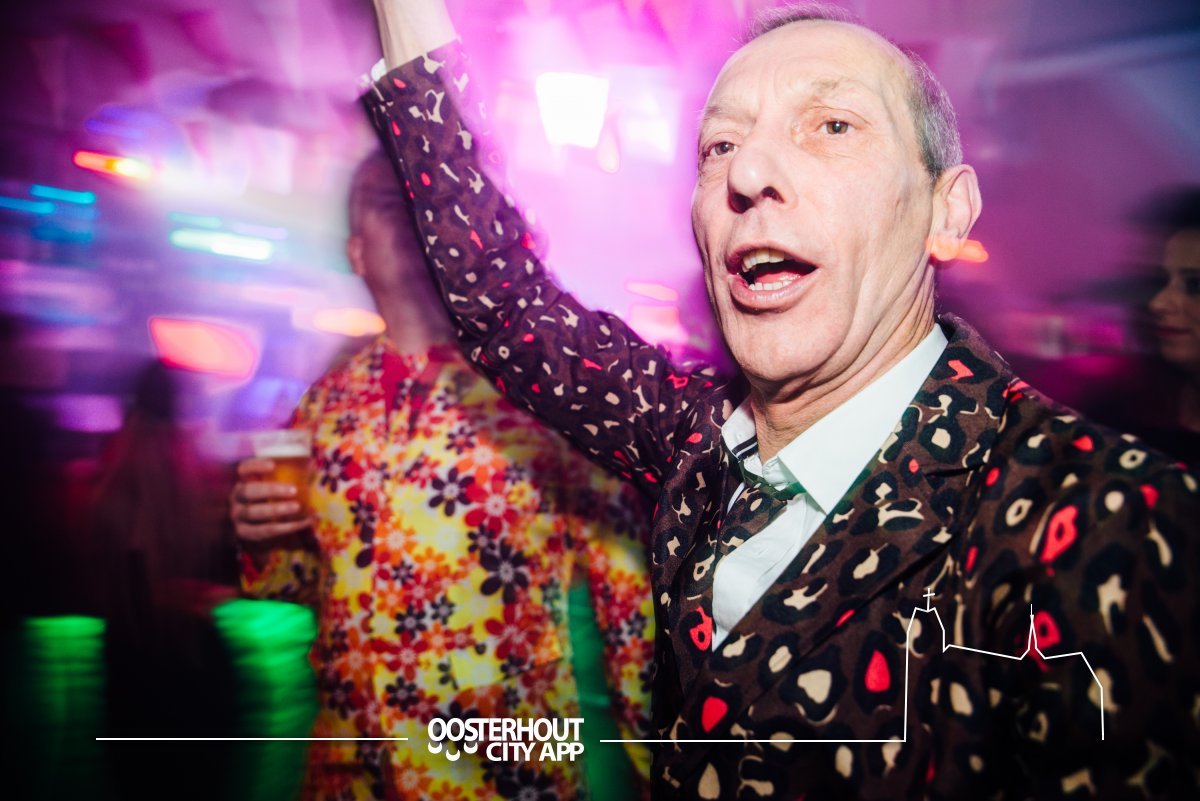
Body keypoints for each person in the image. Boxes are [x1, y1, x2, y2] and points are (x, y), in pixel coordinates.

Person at [361, 1, 1200, 799]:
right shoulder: (698, 444)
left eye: (832, 126)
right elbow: (504, 301)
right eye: (721, 145)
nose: (748, 172)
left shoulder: (1105, 518)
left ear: (947, 211)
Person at [228, 151, 653, 801]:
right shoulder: (322, 409)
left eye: (419, 196)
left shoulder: (538, 393)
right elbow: (297, 589)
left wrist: (660, 767)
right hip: (350, 773)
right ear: (356, 253)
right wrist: (260, 538)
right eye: (384, 198)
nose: (405, 203)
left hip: (500, 775)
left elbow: (629, 603)